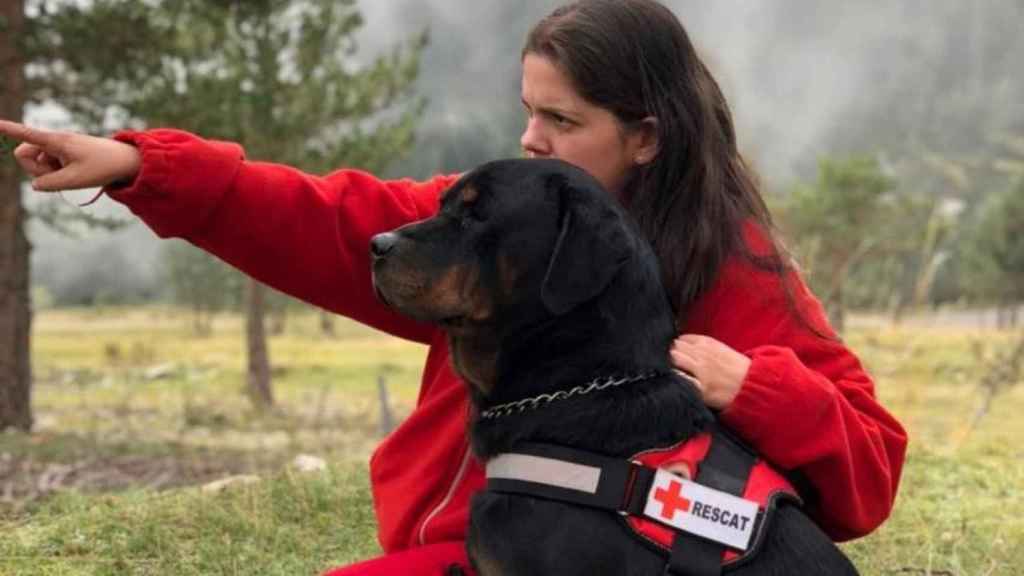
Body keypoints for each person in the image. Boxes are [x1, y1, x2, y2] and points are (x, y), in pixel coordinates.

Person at [0, 1, 907, 574]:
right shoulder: (491, 221)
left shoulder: (729, 264)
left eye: (563, 119)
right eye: (528, 110)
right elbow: (329, 219)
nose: (532, 140)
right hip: (465, 546)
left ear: (647, 136)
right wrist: (136, 165)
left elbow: (870, 466)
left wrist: (756, 387)